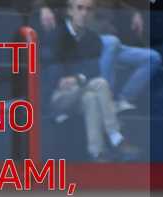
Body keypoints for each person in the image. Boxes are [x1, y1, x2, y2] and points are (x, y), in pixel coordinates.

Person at [43, 0, 140, 161]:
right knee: (100, 84)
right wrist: (74, 76)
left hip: (81, 93)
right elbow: (51, 70)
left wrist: (76, 78)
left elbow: (93, 69)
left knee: (91, 98)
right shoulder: (56, 35)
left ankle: (96, 152)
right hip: (57, 96)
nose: (84, 13)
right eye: (80, 8)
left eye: (89, 9)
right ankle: (115, 135)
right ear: (70, 11)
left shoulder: (93, 39)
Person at [34, 0, 161, 111]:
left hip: (111, 42)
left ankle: (123, 99)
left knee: (152, 57)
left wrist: (134, 13)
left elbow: (118, 4)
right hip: (90, 40)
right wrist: (43, 7)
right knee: (111, 42)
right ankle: (106, 101)